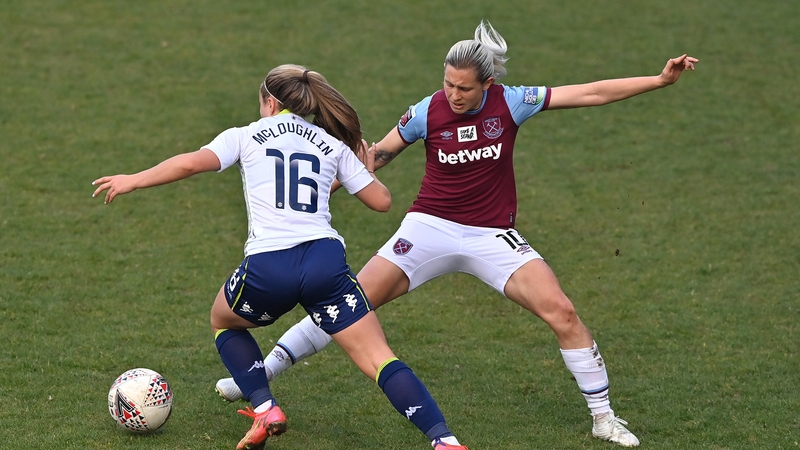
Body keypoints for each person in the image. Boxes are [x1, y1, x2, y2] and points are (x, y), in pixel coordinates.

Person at [216, 22, 699, 447]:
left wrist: (659, 80)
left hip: (493, 236)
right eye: (447, 84)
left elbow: (589, 92)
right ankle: (257, 378)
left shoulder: (513, 102)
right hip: (428, 228)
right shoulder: (427, 110)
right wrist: (323, 188)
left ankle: (604, 419)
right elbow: (378, 155)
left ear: (488, 84)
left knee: (563, 311)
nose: (453, 94)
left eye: (463, 88)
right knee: (350, 300)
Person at [92, 64, 469, 450]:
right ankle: (444, 440)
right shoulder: (331, 144)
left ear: (270, 102)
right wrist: (363, 168)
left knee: (223, 320)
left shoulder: (245, 135)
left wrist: (132, 179)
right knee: (379, 358)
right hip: (325, 263)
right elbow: (382, 201)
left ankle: (265, 407)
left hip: (270, 265)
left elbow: (190, 162)